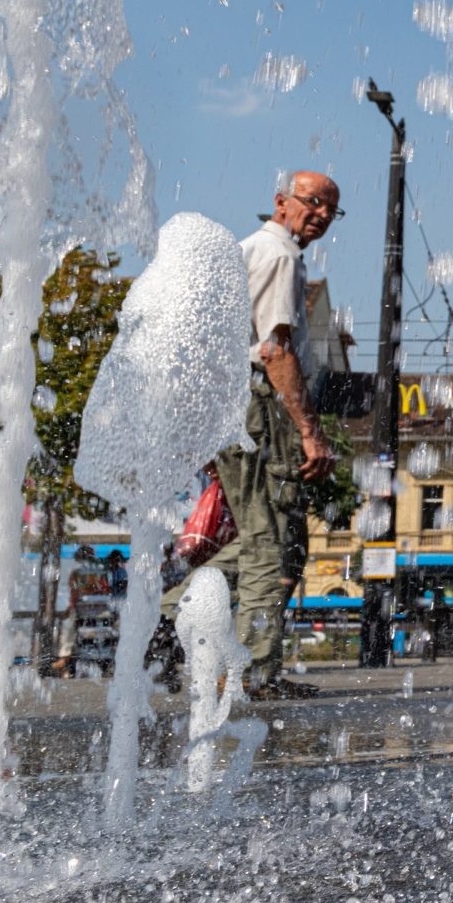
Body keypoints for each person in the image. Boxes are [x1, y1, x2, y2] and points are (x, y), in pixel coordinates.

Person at [161, 171, 340, 700]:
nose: (323, 215)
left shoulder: (249, 251)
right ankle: (254, 673)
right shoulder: (278, 255)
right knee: (271, 542)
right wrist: (309, 429)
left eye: (332, 209)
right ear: (281, 203)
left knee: (267, 536)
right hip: (262, 405)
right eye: (313, 203)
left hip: (236, 404)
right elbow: (274, 350)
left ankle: (166, 621)